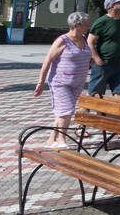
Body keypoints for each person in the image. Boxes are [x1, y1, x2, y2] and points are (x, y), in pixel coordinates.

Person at [33, 12, 93, 148]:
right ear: (76, 25)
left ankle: (51, 140)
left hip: (77, 82)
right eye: (85, 24)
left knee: (62, 112)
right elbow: (48, 61)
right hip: (61, 82)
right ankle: (62, 141)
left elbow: (87, 57)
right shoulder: (63, 40)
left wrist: (90, 64)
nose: (87, 27)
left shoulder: (84, 38)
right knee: (66, 111)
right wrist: (40, 82)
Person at [88, 0, 120, 98]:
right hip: (104, 64)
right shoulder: (101, 22)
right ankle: (85, 111)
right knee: (95, 95)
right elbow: (90, 42)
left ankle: (114, 114)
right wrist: (97, 59)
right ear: (111, 6)